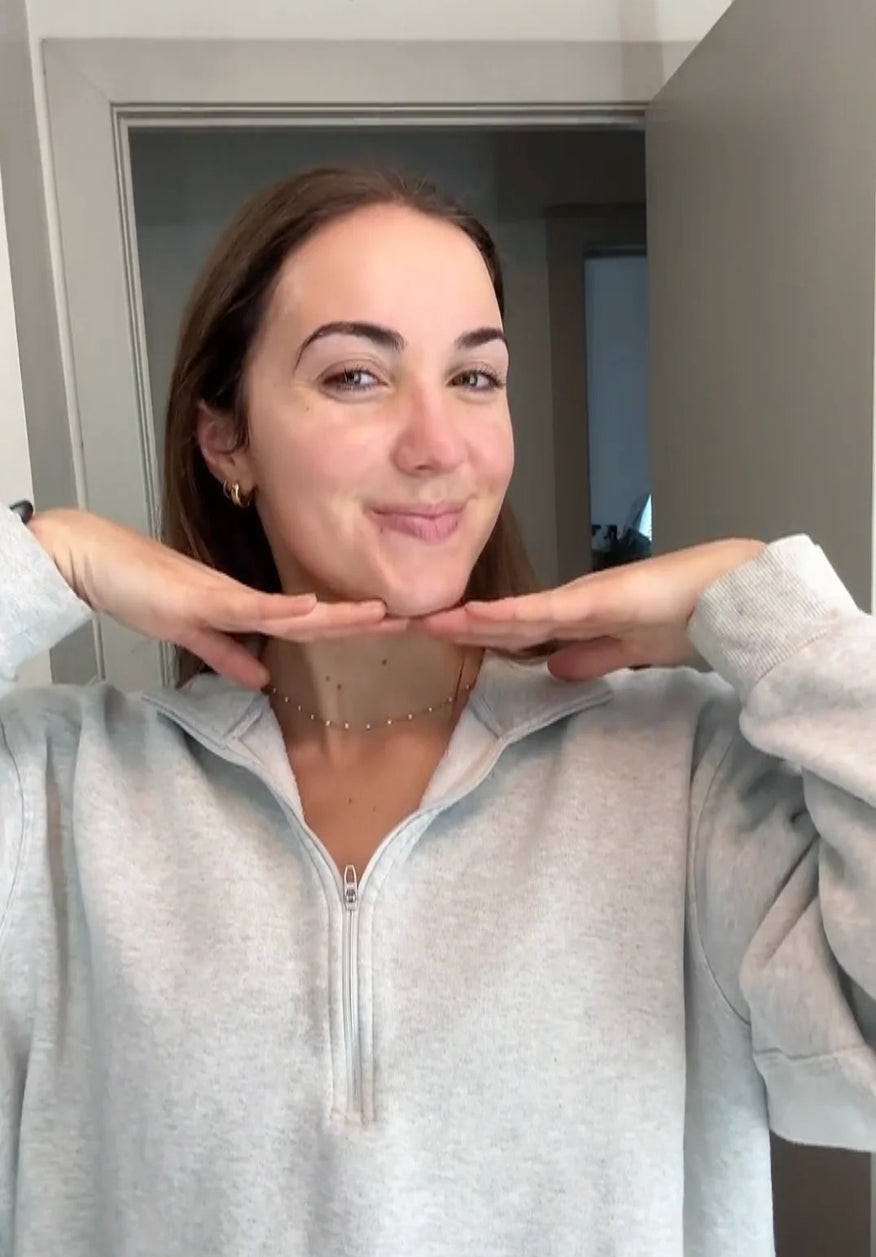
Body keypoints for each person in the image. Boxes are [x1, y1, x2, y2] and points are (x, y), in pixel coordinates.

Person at [1, 165, 874, 1257]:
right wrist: (46, 560)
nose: (438, 446)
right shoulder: (59, 799)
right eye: (358, 376)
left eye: (475, 378)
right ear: (225, 439)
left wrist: (772, 613)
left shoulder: (682, 776)